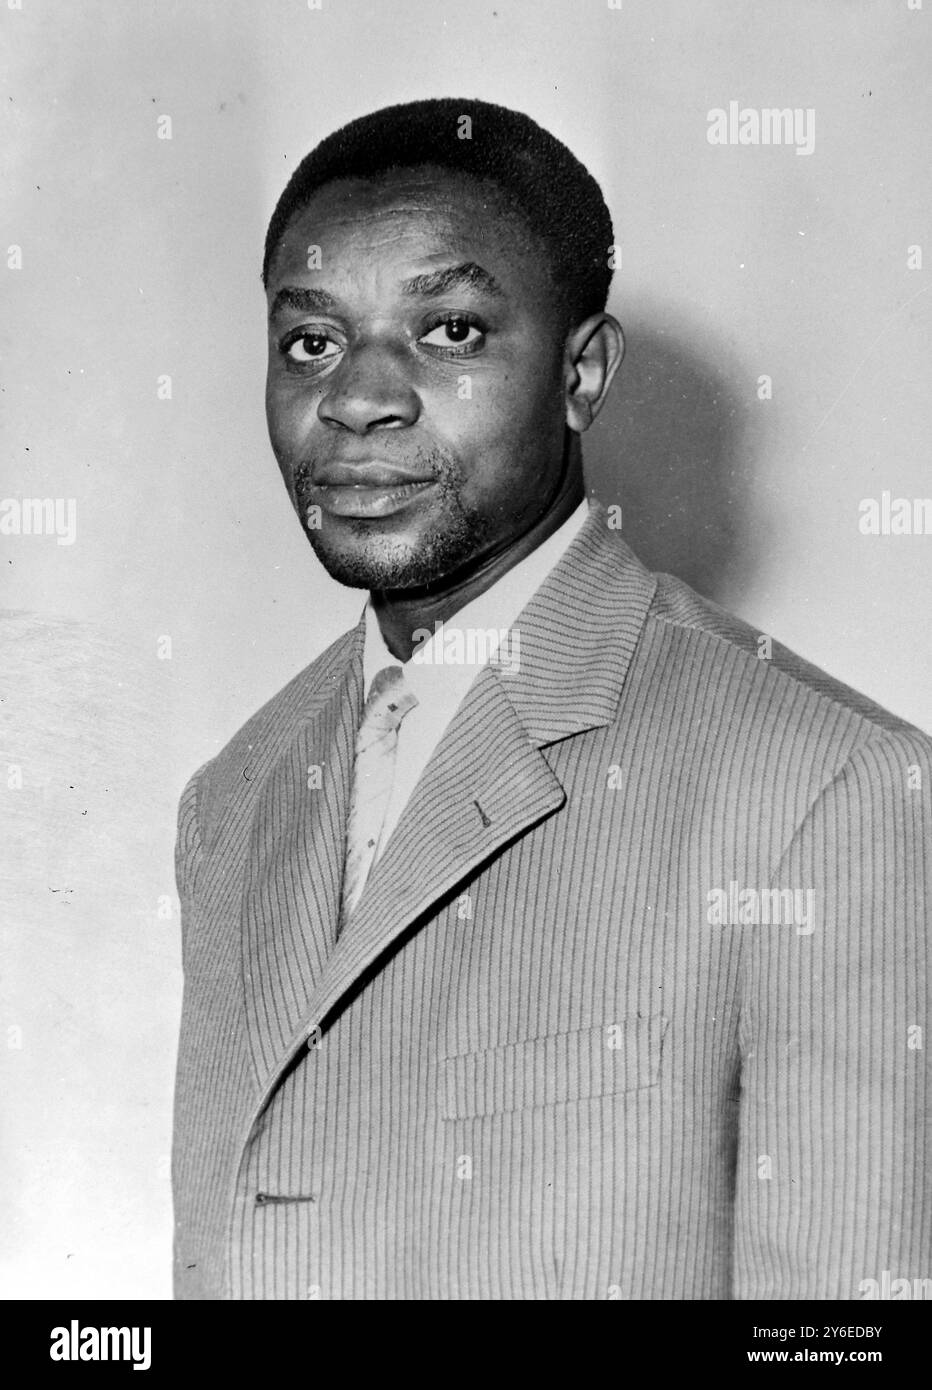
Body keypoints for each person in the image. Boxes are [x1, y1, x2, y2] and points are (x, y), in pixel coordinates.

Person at [172, 97, 930, 1300]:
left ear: (581, 373)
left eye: (451, 329)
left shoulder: (827, 784)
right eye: (311, 342)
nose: (359, 398)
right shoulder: (235, 799)